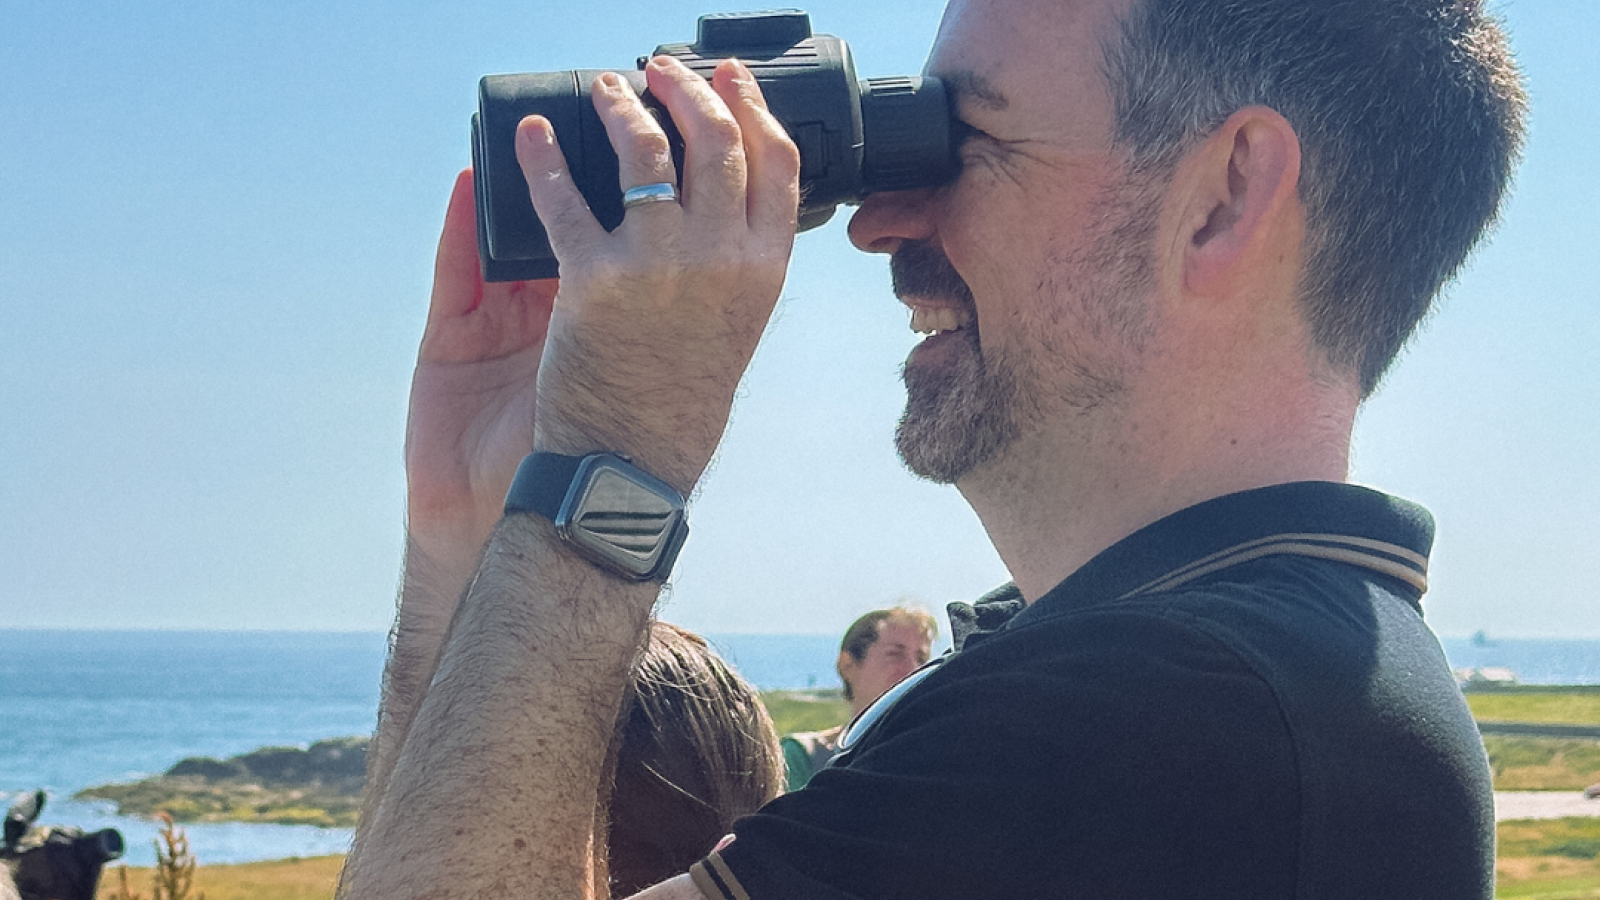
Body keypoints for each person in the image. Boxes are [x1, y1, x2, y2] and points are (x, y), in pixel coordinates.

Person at [339, 0, 1527, 896]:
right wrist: (479, 522)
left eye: (969, 145)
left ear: (1221, 199)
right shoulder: (1259, 668)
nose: (881, 224)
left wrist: (607, 464)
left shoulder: (1182, 710)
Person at [780, 606, 937, 791]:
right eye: (895, 654)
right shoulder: (803, 757)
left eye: (921, 658)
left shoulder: (933, 761)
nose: (913, 669)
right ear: (847, 665)